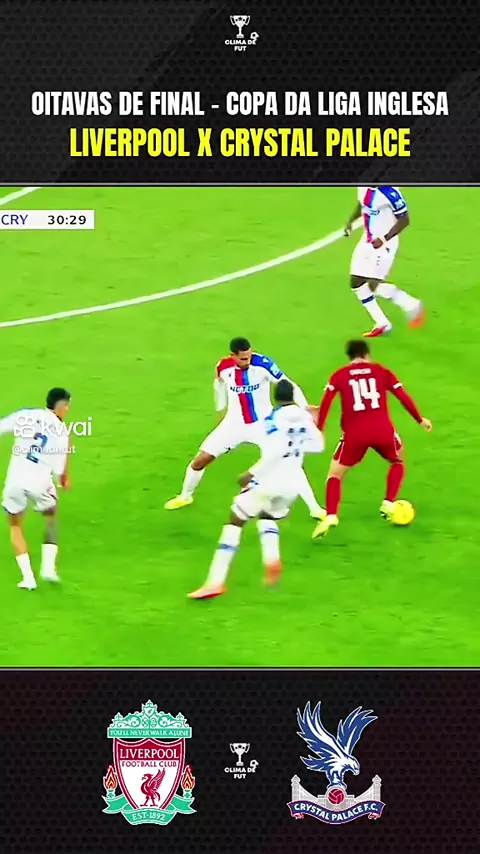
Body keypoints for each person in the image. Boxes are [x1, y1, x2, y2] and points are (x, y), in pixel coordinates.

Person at [188, 379, 325, 599]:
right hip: (291, 486)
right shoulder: (306, 419)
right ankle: (272, 560)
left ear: (275, 398)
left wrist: (251, 473)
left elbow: (274, 451)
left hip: (270, 481)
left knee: (235, 520)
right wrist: (298, 445)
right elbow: (319, 446)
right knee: (267, 516)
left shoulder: (273, 418)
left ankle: (215, 582)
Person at [165, 336, 325, 519]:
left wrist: (304, 407)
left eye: (249, 356)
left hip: (263, 424)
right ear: (232, 356)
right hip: (233, 425)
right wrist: (220, 409)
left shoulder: (263, 364)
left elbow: (288, 384)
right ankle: (185, 496)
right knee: (200, 460)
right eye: (243, 358)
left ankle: (315, 509)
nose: (247, 361)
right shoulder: (223, 367)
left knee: (289, 463)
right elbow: (218, 384)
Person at [311, 340, 432, 538]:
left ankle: (331, 514)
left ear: (349, 356)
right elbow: (402, 396)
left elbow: (326, 404)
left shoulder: (339, 375)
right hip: (382, 430)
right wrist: (420, 419)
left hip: (354, 435)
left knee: (335, 475)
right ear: (367, 354)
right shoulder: (381, 371)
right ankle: (388, 502)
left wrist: (320, 429)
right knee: (398, 460)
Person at [0, 387, 72, 589]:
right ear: (60, 406)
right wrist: (62, 481)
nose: (67, 410)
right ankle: (48, 568)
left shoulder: (25, 415)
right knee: (50, 516)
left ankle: (28, 579)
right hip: (40, 482)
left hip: (15, 481)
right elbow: (59, 471)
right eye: (67, 406)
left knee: (15, 525)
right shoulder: (61, 432)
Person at [344, 186, 425, 338]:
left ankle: (411, 304)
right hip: (367, 240)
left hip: (385, 244)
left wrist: (384, 239)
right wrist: (350, 222)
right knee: (356, 282)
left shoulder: (389, 192)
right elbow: (362, 203)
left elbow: (405, 220)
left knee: (372, 285)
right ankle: (382, 323)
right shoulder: (363, 186)